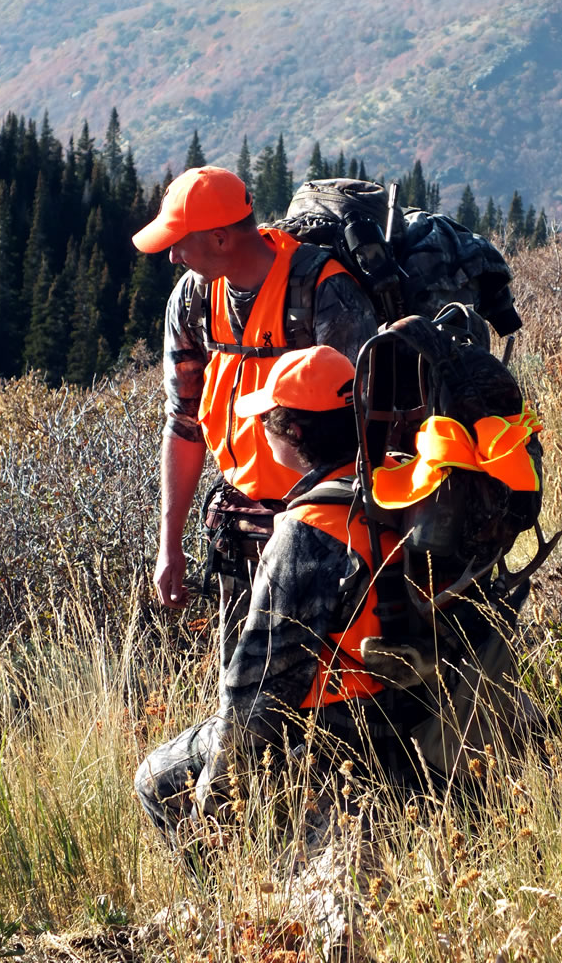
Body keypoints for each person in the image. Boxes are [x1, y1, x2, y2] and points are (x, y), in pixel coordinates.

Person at [133, 346, 423, 850]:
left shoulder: (307, 532)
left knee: (156, 781)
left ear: (294, 433)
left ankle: (231, 906)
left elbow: (257, 692)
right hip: (411, 710)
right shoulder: (401, 481)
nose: (261, 431)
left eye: (268, 421)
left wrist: (214, 795)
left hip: (340, 737)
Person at [132, 167, 378, 689]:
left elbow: (363, 429)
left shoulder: (324, 291)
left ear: (220, 237)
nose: (172, 255)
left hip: (325, 528)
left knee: (328, 686)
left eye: (179, 242)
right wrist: (168, 544)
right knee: (241, 691)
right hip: (241, 524)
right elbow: (184, 425)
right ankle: (250, 772)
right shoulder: (193, 301)